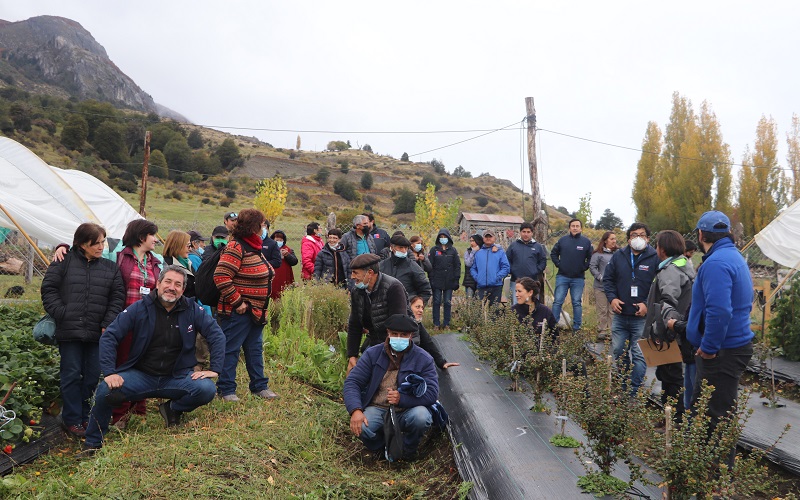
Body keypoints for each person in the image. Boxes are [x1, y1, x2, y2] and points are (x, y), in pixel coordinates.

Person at [81, 265, 225, 455]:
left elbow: (216, 334)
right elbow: (110, 336)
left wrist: (215, 368)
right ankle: (93, 443)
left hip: (177, 376)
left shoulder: (192, 309)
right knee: (105, 391)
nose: (172, 287)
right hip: (141, 376)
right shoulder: (140, 308)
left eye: (178, 284)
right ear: (158, 283)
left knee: (206, 389)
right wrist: (109, 372)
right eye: (168, 281)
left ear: (183, 289)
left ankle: (172, 408)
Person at [41, 223, 125, 438]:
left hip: (97, 332)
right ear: (81, 243)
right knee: (70, 374)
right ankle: (71, 419)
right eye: (95, 242)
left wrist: (108, 322)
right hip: (69, 331)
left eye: (102, 241)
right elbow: (48, 288)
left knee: (91, 376)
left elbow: (117, 298)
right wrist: (62, 312)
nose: (100, 246)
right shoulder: (64, 261)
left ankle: (85, 416)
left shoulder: (110, 268)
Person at [686, 211, 754, 465]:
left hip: (723, 350)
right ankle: (714, 472)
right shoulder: (732, 256)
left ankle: (715, 477)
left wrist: (709, 348)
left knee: (714, 415)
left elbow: (720, 310)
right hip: (731, 346)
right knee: (717, 410)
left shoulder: (716, 263)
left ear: (701, 235)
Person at [343, 314, 439, 462]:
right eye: (395, 334)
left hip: (408, 410)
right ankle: (382, 447)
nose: (398, 338)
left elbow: (432, 393)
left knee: (422, 417)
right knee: (362, 426)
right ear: (388, 332)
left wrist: (402, 399)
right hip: (378, 407)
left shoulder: (424, 359)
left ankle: (407, 451)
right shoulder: (372, 354)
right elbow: (353, 382)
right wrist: (356, 410)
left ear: (411, 336)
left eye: (403, 335)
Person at [214, 208, 278, 401]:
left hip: (255, 311)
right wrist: (238, 301)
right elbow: (221, 275)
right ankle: (226, 390)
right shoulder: (236, 247)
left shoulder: (254, 246)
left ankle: (259, 386)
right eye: (263, 224)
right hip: (238, 311)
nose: (264, 227)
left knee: (254, 349)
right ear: (255, 226)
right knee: (231, 349)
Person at [113, 219, 162, 426]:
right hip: (125, 321)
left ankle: (138, 410)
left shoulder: (156, 260)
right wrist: (61, 247)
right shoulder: (118, 256)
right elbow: (84, 247)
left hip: (147, 321)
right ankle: (119, 414)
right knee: (123, 365)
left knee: (144, 364)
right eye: (153, 235)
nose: (156, 239)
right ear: (142, 237)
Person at [642, 230, 694, 419]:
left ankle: (673, 420)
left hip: (669, 333)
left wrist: (661, 331)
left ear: (662, 249)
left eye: (657, 245)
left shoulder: (670, 270)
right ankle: (672, 418)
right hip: (678, 330)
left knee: (670, 376)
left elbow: (668, 302)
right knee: (670, 375)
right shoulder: (683, 264)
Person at [603, 222, 659, 395]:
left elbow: (660, 286)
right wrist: (612, 299)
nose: (638, 238)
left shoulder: (655, 258)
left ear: (648, 239)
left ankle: (634, 391)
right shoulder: (619, 256)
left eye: (642, 235)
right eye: (634, 235)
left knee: (639, 354)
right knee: (619, 350)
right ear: (628, 239)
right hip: (620, 314)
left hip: (641, 317)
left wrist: (647, 305)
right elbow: (608, 280)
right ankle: (623, 386)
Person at [346, 254, 409, 374]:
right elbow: (355, 324)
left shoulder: (393, 288)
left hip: (398, 343)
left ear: (369, 273)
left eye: (355, 273)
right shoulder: (357, 292)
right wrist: (352, 355)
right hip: (375, 341)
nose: (352, 277)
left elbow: (399, 325)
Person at [550, 219, 593, 331]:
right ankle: (553, 327)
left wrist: (584, 267)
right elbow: (553, 253)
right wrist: (559, 264)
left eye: (577, 226)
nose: (575, 228)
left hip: (578, 278)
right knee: (558, 301)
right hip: (562, 277)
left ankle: (576, 328)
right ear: (569, 228)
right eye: (572, 226)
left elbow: (590, 258)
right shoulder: (562, 240)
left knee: (576, 303)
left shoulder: (586, 242)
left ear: (581, 228)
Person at [408, 295, 459, 370]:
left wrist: (441, 362)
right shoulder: (401, 324)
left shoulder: (418, 324)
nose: (421, 310)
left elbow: (428, 343)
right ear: (408, 307)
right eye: (417, 307)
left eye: (422, 308)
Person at [379, 234, 432, 304]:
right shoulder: (382, 265)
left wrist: (415, 306)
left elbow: (425, 290)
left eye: (406, 248)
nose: (404, 251)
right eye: (400, 248)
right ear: (392, 247)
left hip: (406, 309)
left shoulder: (413, 267)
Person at [505, 222, 548, 305]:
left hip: (533, 281)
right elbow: (507, 260)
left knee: (532, 304)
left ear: (532, 233)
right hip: (516, 281)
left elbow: (543, 261)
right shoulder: (513, 245)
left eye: (528, 232)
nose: (526, 234)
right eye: (524, 232)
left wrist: (536, 270)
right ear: (520, 232)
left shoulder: (537, 246)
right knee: (516, 304)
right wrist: (512, 270)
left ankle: (532, 319)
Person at [428, 229, 461, 329]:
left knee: (447, 302)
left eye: (445, 237)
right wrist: (431, 279)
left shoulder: (453, 250)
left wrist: (456, 279)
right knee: (437, 301)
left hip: (449, 280)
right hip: (437, 280)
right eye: (441, 237)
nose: (443, 239)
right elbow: (430, 266)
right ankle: (436, 323)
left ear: (448, 238)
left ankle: (446, 323)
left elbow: (457, 265)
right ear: (438, 238)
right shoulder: (434, 250)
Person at [589, 231, 618, 339]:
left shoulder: (618, 254)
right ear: (605, 241)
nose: (614, 241)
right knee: (602, 310)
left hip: (614, 288)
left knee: (612, 310)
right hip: (600, 287)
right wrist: (600, 277)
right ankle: (602, 331)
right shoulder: (598, 254)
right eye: (611, 239)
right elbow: (592, 267)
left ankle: (611, 332)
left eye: (615, 239)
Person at [470, 229, 510, 305]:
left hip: (496, 286)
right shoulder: (478, 253)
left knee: (494, 312)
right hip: (481, 286)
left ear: (494, 238)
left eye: (490, 236)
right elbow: (473, 268)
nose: (488, 238)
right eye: (486, 237)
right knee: (478, 310)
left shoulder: (500, 252)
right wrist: (477, 277)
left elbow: (506, 267)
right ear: (483, 238)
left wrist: (496, 277)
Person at [162, 230, 196, 298]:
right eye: (188, 246)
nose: (190, 249)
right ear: (178, 246)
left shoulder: (187, 263)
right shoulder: (167, 265)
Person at [269, 229, 299, 300]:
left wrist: (287, 255)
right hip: (273, 277)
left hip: (285, 277)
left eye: (280, 240)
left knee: (284, 295)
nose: (278, 242)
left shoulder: (288, 250)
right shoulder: (269, 249)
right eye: (277, 240)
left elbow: (294, 262)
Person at [462, 234, 483, 299]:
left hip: (480, 280)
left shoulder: (483, 251)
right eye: (470, 241)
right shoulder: (468, 252)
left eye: (473, 241)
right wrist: (473, 252)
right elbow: (468, 263)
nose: (472, 243)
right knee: (469, 300)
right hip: (470, 280)